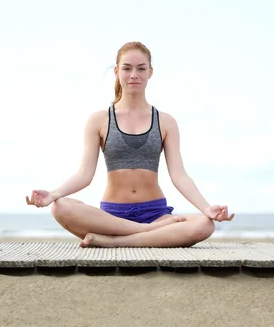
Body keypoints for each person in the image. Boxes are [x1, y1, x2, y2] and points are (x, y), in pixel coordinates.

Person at [25, 41, 234, 247]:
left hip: (156, 215)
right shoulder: (99, 120)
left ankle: (116, 241)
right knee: (59, 207)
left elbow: (179, 175)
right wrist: (53, 194)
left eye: (141, 69)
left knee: (204, 225)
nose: (134, 74)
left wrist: (206, 209)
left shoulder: (165, 121)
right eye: (127, 68)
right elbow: (84, 174)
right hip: (113, 216)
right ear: (117, 71)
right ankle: (144, 233)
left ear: (150, 72)